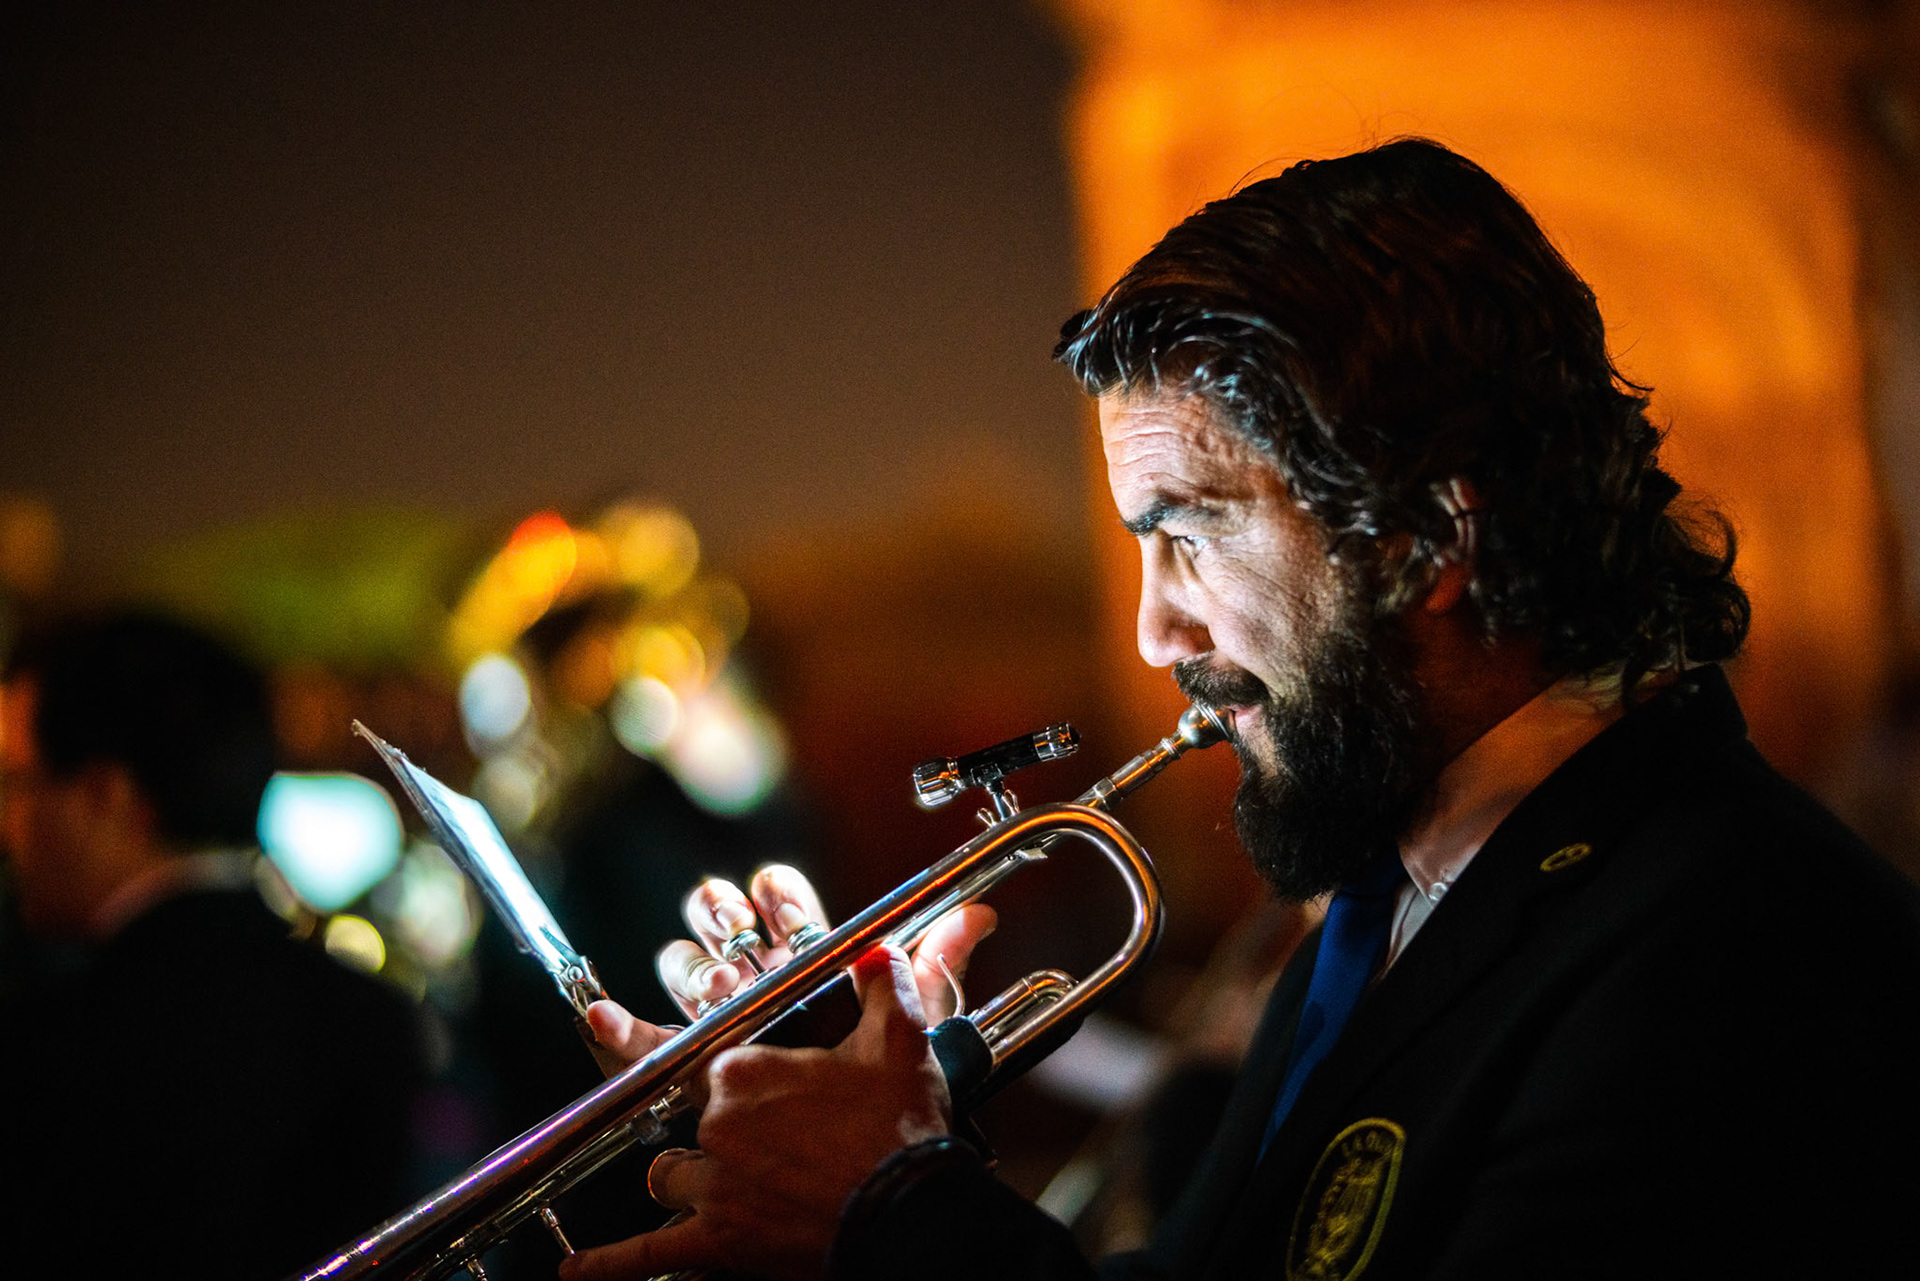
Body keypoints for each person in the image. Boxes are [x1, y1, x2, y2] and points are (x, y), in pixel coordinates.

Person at [560, 139, 1920, 1280]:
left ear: (1425, 536)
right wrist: (857, 1125)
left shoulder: (1742, 944)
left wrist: (898, 1213)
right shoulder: (1394, 901)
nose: (1155, 630)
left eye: (1192, 534)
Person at [0, 612, 426, 1279]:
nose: (7, 824)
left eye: (15, 781)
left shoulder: (47, 1045)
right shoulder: (375, 1016)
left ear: (107, 795)